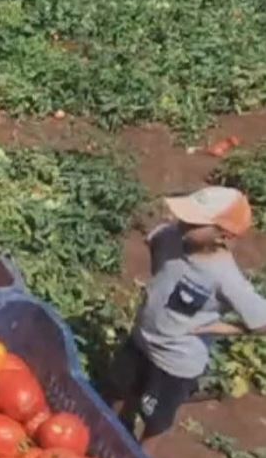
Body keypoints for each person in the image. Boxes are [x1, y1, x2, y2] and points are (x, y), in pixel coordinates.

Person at [110, 187, 266, 441]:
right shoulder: (172, 236)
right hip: (140, 341)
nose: (183, 222)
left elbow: (262, 322)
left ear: (223, 236)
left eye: (194, 222)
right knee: (118, 390)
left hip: (174, 363)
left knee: (155, 420)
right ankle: (113, 432)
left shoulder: (225, 278)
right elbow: (155, 240)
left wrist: (218, 328)